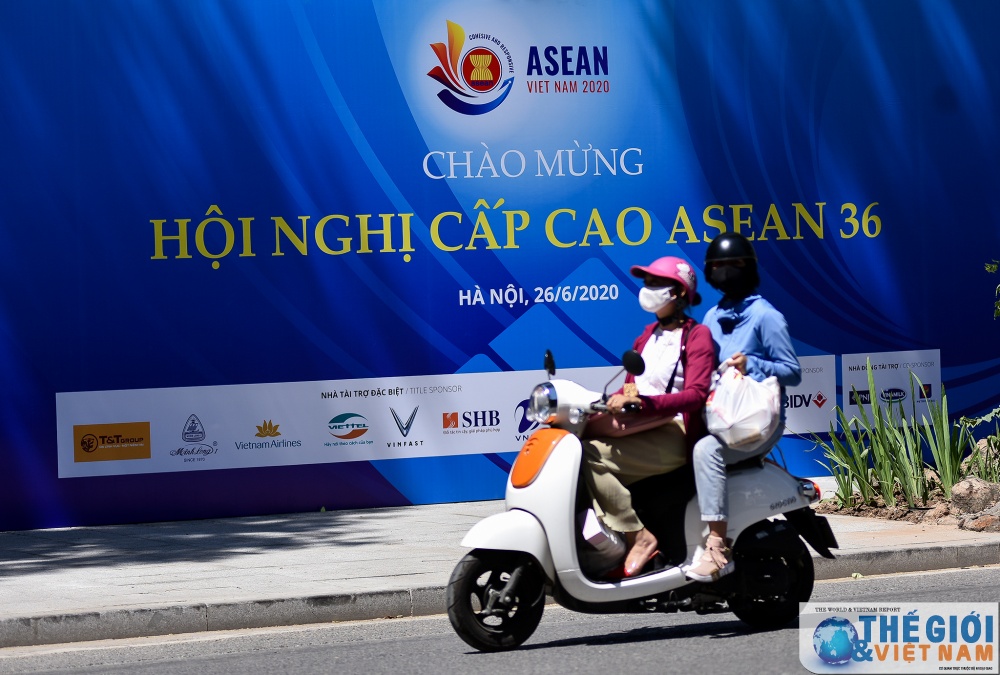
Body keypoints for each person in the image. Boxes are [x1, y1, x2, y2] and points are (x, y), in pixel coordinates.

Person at [582, 256, 715, 577]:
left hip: (676, 431)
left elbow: (697, 394)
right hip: (641, 426)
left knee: (589, 455)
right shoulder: (647, 335)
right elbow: (632, 387)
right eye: (647, 282)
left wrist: (644, 404)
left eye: (657, 283)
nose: (648, 289)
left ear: (678, 293)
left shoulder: (697, 335)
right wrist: (610, 401)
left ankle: (637, 536)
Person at [685, 232, 802, 582]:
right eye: (717, 266)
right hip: (720, 416)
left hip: (755, 423)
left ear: (748, 267)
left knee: (706, 451)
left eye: (733, 264)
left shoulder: (766, 316)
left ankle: (717, 545)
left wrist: (753, 364)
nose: (725, 271)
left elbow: (792, 372)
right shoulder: (711, 317)